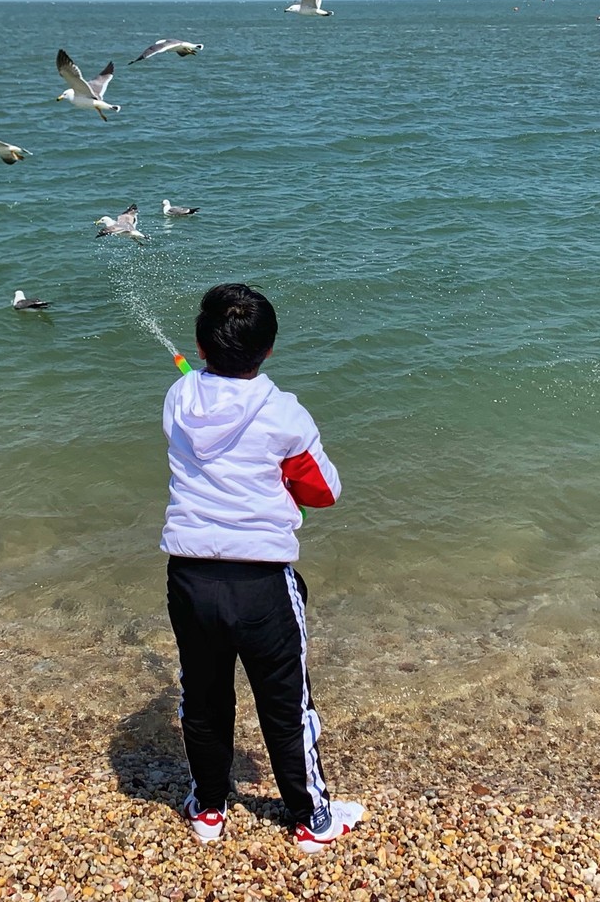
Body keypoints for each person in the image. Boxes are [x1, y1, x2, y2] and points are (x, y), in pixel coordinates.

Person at [161, 282, 364, 853]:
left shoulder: (178, 396)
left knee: (204, 697)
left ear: (201, 347)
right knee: (285, 704)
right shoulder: (283, 413)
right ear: (269, 349)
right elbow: (324, 491)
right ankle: (313, 820)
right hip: (261, 584)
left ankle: (208, 808)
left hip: (189, 578)